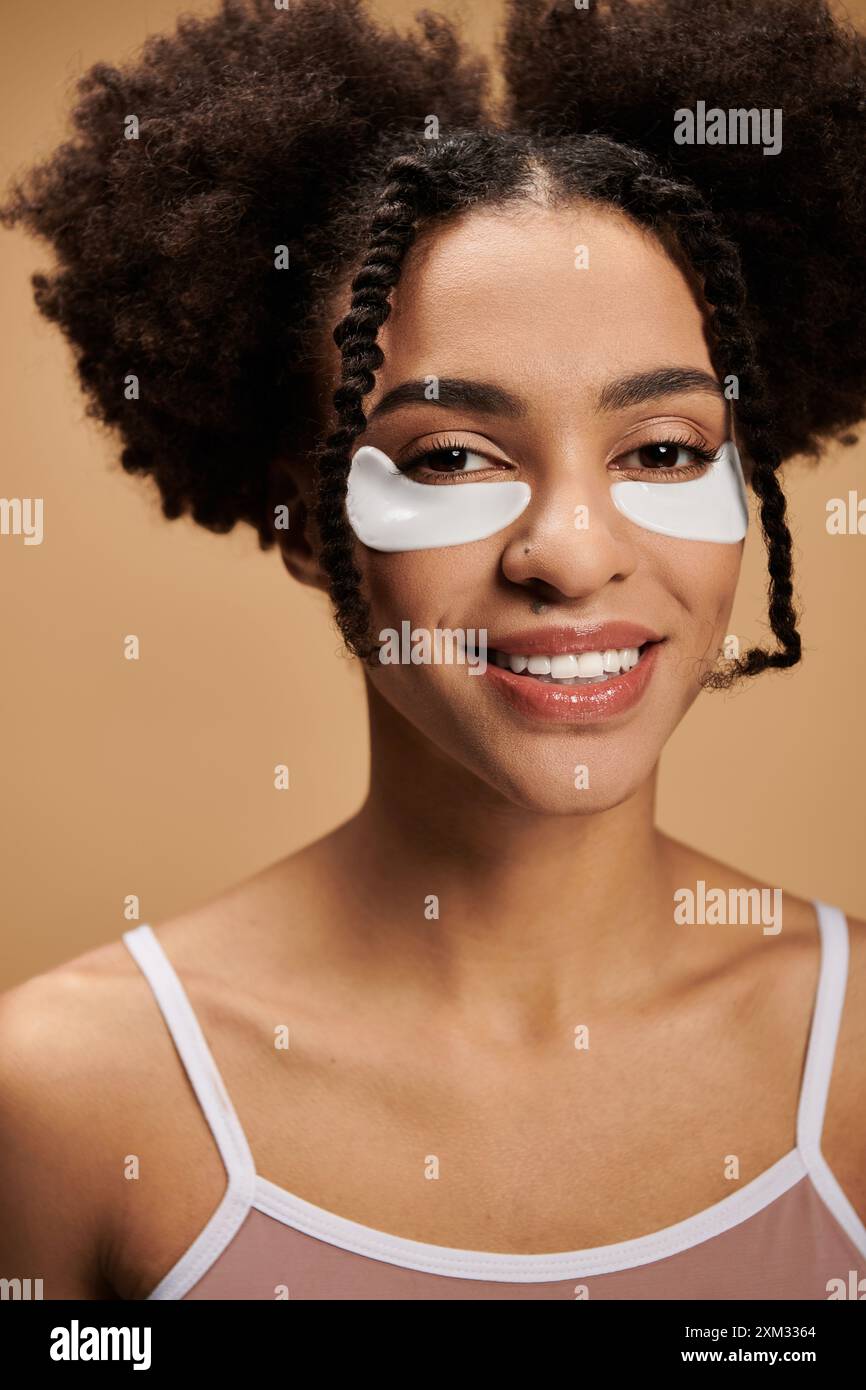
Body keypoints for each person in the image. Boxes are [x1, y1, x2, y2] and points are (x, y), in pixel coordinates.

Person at [1, 0, 864, 1300]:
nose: (570, 552)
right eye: (449, 456)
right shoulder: (65, 1096)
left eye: (665, 450)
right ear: (306, 521)